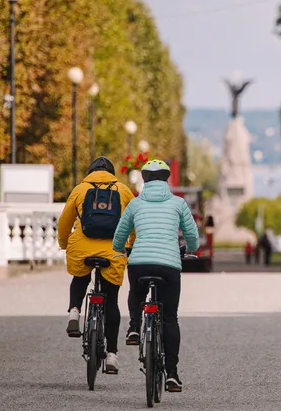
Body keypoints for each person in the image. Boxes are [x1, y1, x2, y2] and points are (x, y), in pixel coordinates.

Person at [113, 159, 199, 393]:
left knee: (136, 292)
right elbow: (191, 234)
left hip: (140, 262)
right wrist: (191, 249)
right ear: (166, 178)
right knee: (170, 318)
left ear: (144, 179)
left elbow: (121, 233)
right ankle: (172, 374)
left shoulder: (135, 203)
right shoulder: (178, 203)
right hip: (169, 265)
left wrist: (119, 249)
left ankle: (133, 327)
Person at [58, 157, 134, 374]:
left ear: (91, 171)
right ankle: (111, 354)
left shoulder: (80, 189)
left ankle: (74, 312)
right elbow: (134, 220)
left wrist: (64, 244)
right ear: (111, 173)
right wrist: (132, 245)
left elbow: (64, 221)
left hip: (82, 247)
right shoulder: (123, 189)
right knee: (111, 300)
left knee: (80, 277)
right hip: (113, 249)